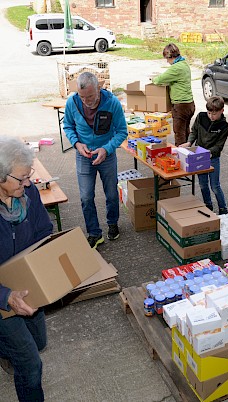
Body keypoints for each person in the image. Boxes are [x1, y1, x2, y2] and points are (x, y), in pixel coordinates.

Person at [0, 136, 53, 401]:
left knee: (40, 342)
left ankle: (5, 351)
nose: (29, 183)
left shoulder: (28, 193)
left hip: (27, 280)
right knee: (31, 364)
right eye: (21, 179)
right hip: (1, 297)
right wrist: (6, 296)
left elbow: (44, 229)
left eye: (28, 175)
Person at [64, 72, 128, 249]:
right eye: (82, 97)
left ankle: (113, 223)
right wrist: (77, 144)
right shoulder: (72, 102)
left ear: (99, 88)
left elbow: (122, 131)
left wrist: (106, 149)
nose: (86, 101)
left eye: (90, 96)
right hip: (84, 156)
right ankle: (94, 233)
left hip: (106, 155)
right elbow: (68, 126)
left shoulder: (112, 102)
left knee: (112, 194)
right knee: (85, 197)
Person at [179, 96, 228, 215]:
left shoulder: (224, 126)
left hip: (213, 158)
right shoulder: (201, 117)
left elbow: (219, 146)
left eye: (214, 114)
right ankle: (208, 205)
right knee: (202, 184)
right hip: (198, 157)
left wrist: (208, 152)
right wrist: (189, 142)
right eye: (209, 113)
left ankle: (223, 209)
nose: (211, 116)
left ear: (222, 110)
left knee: (215, 186)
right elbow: (194, 131)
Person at [152, 43, 195, 146]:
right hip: (189, 104)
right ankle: (188, 155)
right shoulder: (184, 64)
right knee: (186, 131)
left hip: (180, 106)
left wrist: (153, 79)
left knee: (179, 134)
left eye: (167, 59)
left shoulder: (176, 68)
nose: (167, 62)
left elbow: (159, 80)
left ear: (170, 56)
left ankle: (181, 158)